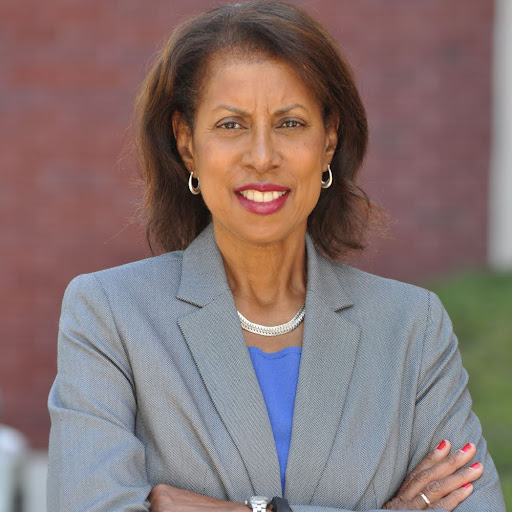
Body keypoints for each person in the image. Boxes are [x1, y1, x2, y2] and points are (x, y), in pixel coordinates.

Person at [47, 2, 506, 511]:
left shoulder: (411, 328)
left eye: (289, 123)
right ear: (187, 143)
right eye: (231, 125)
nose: (263, 156)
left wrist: (249, 511)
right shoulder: (111, 314)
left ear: (328, 139)